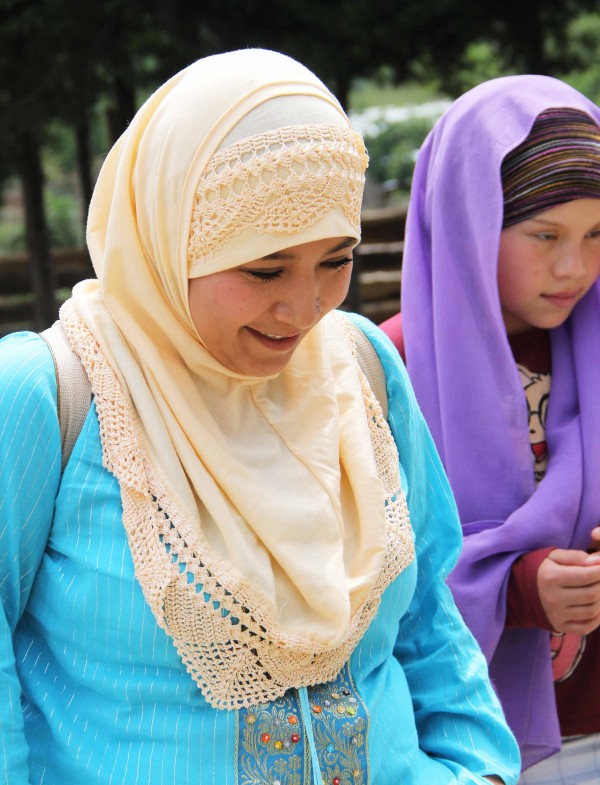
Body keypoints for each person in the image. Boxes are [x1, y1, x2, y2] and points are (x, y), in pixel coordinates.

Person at [0, 49, 519, 785]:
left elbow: (428, 609)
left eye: (335, 261)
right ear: (171, 239)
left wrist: (480, 769)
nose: (305, 308)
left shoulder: (361, 368)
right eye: (265, 269)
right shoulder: (48, 395)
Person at [381, 74, 600, 782]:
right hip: (461, 744)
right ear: (470, 223)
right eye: (545, 235)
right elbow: (366, 574)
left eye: (598, 234)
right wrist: (514, 586)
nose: (575, 267)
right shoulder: (392, 368)